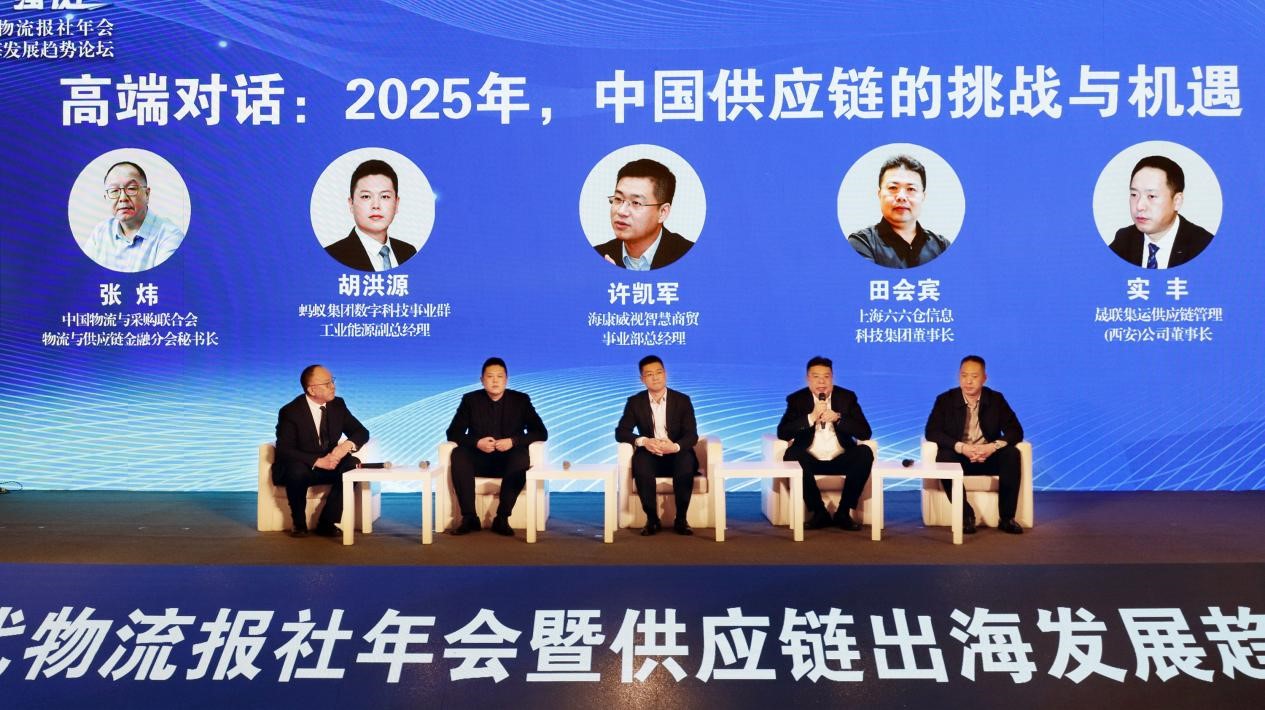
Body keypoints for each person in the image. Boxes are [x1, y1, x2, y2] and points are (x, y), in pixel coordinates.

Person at [445, 357, 549, 536]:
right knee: (458, 453)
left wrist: (513, 441)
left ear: (506, 380)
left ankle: (502, 518)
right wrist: (477, 442)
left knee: (521, 456)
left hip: (508, 462)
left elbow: (541, 432)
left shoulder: (521, 400)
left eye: (500, 376)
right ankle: (469, 518)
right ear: (482, 380)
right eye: (490, 376)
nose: (495, 381)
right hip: (479, 459)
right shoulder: (470, 400)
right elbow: (453, 432)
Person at [924, 355, 1025, 535]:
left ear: (984, 378)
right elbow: (932, 431)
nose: (968, 381)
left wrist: (992, 447)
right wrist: (961, 447)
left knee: (1011, 454)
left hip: (988, 457)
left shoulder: (996, 399)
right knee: (944, 457)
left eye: (974, 376)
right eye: (964, 376)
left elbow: (1016, 430)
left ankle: (1007, 518)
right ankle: (966, 516)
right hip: (960, 458)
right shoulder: (945, 400)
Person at [777, 356, 874, 531]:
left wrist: (839, 418)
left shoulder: (847, 397)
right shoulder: (797, 399)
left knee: (865, 452)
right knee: (792, 454)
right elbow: (782, 433)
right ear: (808, 379)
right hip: (810, 461)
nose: (821, 382)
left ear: (832, 378)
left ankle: (843, 512)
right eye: (816, 377)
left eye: (826, 376)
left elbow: (865, 432)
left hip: (841, 459)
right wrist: (810, 418)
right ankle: (819, 512)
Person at [272, 365, 369, 537]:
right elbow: (284, 449)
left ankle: (327, 522)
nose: (333, 386)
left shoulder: (337, 405)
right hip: (304, 467)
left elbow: (361, 432)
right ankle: (299, 524)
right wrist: (317, 461)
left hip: (331, 463)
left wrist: (344, 447)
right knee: (296, 470)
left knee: (353, 465)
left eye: (333, 381)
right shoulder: (290, 411)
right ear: (311, 390)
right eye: (327, 383)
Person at [615, 355, 700, 536]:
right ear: (642, 379)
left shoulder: (682, 400)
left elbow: (692, 435)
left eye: (659, 372)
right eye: (649, 374)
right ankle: (652, 519)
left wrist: (675, 446)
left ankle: (681, 519)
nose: (655, 377)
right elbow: (621, 432)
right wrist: (644, 441)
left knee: (685, 460)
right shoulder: (635, 402)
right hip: (650, 453)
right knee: (641, 462)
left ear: (665, 374)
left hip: (676, 452)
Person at [1109, 155, 1214, 269]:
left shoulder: (1204, 246)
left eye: (1151, 196)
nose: (1139, 206)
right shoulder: (1124, 239)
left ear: (1177, 201)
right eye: (1134, 194)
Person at [848, 154, 950, 268]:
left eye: (911, 189)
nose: (901, 196)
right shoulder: (862, 243)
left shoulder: (942, 246)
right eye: (893, 188)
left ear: (923, 196)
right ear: (879, 194)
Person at [82, 161, 186, 272]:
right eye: (114, 191)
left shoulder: (170, 236)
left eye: (131, 188)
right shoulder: (101, 232)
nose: (123, 198)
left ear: (147, 194)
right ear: (106, 197)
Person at [594, 158, 695, 270]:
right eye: (618, 199)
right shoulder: (597, 256)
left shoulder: (690, 256)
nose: (621, 211)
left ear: (662, 212)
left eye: (636, 203)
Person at [325, 159, 418, 271]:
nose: (376, 205)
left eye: (385, 196)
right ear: (351, 204)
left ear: (396, 204)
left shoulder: (409, 252)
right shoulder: (331, 256)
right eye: (366, 196)